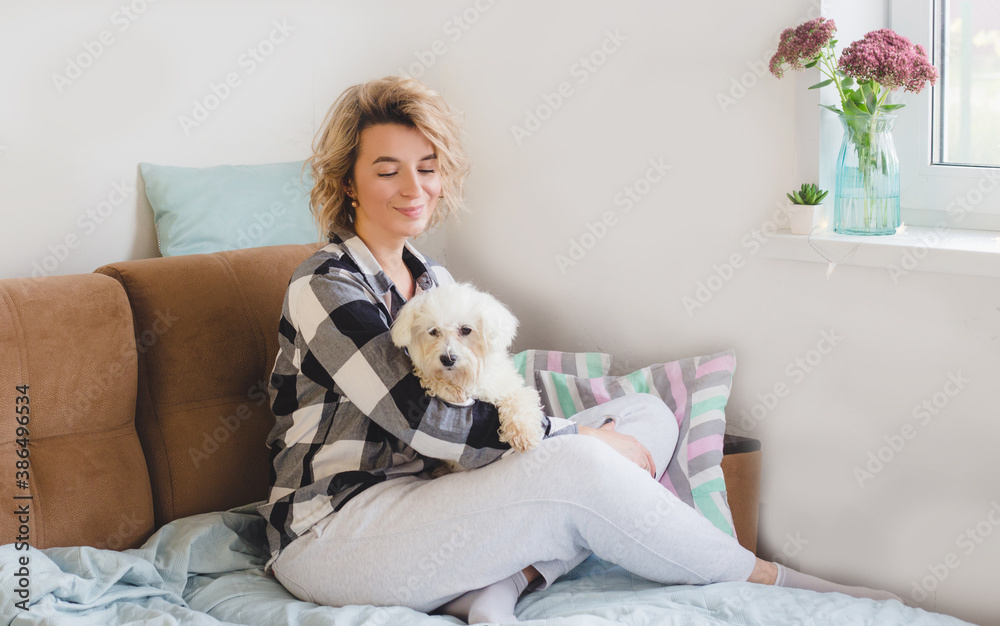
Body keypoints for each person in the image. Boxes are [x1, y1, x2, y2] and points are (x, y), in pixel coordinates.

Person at [259, 76, 901, 624]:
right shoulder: (326, 284)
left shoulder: (433, 281)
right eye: (386, 169)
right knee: (579, 467)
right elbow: (428, 423)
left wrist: (575, 437)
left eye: (426, 167)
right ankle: (765, 579)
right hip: (336, 530)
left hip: (430, 495)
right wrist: (572, 444)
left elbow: (485, 394)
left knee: (646, 415)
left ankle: (502, 584)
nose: (413, 187)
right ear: (347, 182)